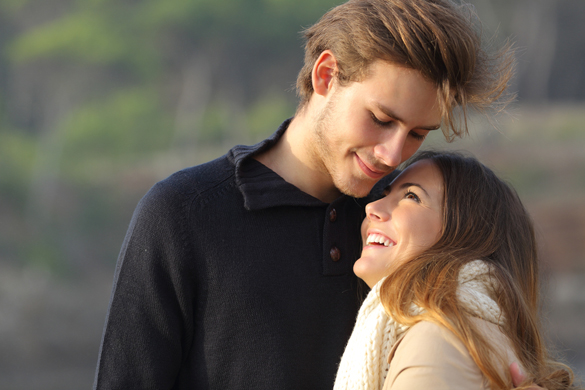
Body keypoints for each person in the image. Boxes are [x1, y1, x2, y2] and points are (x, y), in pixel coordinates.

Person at [93, 0, 516, 389]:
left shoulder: (400, 229)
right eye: (381, 119)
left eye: (417, 134)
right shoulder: (182, 213)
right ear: (325, 76)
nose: (393, 154)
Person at [333, 150, 578, 390]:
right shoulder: (469, 330)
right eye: (384, 194)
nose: (371, 208)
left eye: (411, 196)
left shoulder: (436, 339)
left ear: (467, 237)